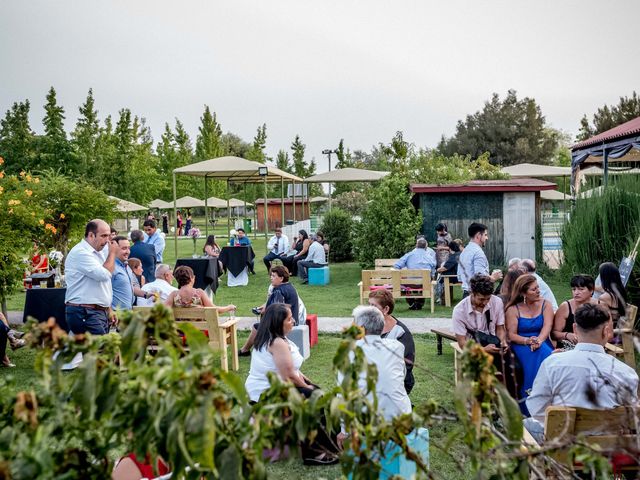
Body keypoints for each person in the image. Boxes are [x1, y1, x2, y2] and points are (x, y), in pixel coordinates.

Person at [525, 304, 639, 443]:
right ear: (606, 331)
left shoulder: (553, 363)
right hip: (607, 446)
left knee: (526, 424)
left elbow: (536, 408)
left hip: (562, 443)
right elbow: (632, 416)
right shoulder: (626, 372)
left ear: (575, 329)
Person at [245, 303, 339, 465]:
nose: (293, 321)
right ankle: (314, 453)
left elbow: (292, 369)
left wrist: (307, 382)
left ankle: (325, 444)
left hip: (275, 387)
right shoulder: (277, 342)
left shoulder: (276, 337)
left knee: (316, 392)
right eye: (289, 319)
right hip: (265, 394)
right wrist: (307, 387)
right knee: (312, 397)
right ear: (278, 322)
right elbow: (288, 375)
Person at [342, 306, 412, 421]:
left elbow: (344, 393)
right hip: (402, 417)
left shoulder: (350, 351)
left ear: (362, 329)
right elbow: (401, 376)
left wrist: (344, 431)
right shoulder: (397, 346)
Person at [452, 274, 518, 397]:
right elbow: (462, 343)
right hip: (474, 349)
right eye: (481, 299)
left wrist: (503, 341)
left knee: (515, 369)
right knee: (479, 375)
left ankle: (511, 404)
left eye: (488, 298)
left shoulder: (496, 301)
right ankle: (482, 407)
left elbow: (500, 328)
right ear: (472, 293)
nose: (485, 302)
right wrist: (483, 350)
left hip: (494, 344)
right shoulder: (459, 310)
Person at [505, 274, 554, 414]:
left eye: (538, 287)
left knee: (545, 354)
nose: (538, 291)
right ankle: (527, 406)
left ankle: (548, 401)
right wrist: (527, 341)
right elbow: (512, 334)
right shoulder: (513, 309)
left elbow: (547, 326)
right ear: (523, 293)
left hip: (541, 339)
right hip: (521, 343)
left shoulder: (546, 304)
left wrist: (538, 340)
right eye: (533, 290)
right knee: (528, 360)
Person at [64, 219, 117, 335]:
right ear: (91, 235)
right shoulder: (80, 252)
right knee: (102, 351)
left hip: (96, 311)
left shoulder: (99, 251)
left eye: (109, 236)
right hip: (85, 311)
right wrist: (113, 253)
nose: (107, 240)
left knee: (96, 352)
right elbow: (104, 275)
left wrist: (108, 309)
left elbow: (103, 285)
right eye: (103, 236)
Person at [239, 265, 299, 355]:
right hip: (292, 320)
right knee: (262, 323)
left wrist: (263, 312)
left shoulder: (278, 290)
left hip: (285, 323)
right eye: (271, 275)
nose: (271, 278)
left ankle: (245, 350)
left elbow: (276, 312)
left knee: (257, 327)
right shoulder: (289, 286)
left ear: (281, 278)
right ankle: (258, 348)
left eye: (274, 276)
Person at [368, 289, 415, 394]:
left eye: (374, 306)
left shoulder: (401, 333)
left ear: (386, 309)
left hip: (396, 382)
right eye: (368, 305)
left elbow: (405, 367)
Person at [457, 222, 502, 298]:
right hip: (477, 297)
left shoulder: (464, 251)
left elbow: (459, 277)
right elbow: (480, 279)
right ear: (478, 236)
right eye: (485, 235)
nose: (487, 238)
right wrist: (494, 277)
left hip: (466, 295)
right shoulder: (478, 253)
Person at [164, 265, 235, 312]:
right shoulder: (199, 293)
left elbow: (163, 310)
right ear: (192, 278)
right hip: (200, 332)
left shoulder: (174, 295)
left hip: (182, 331)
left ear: (177, 280)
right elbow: (214, 310)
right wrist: (229, 307)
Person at [551, 275, 597, 346]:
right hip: (568, 346)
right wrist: (566, 335)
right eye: (574, 289)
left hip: (593, 344)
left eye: (581, 289)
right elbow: (554, 333)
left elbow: (609, 333)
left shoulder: (600, 306)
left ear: (591, 290)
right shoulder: (565, 306)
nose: (576, 292)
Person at [393, 237, 436, 310]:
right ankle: (419, 303)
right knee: (427, 281)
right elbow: (433, 271)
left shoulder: (409, 255)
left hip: (409, 283)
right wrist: (432, 278)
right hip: (424, 283)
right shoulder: (430, 257)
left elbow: (397, 266)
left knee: (404, 281)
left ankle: (412, 302)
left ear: (416, 246)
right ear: (426, 246)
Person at [597, 262, 628, 329]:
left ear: (604, 277)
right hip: (619, 324)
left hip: (610, 328)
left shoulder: (604, 297)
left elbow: (602, 318)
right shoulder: (621, 290)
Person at [111, 236, 135, 312]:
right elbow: (102, 292)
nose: (128, 252)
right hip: (116, 315)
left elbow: (128, 287)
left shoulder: (126, 266)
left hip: (127, 313)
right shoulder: (111, 267)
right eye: (124, 248)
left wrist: (146, 294)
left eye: (129, 248)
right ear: (114, 249)